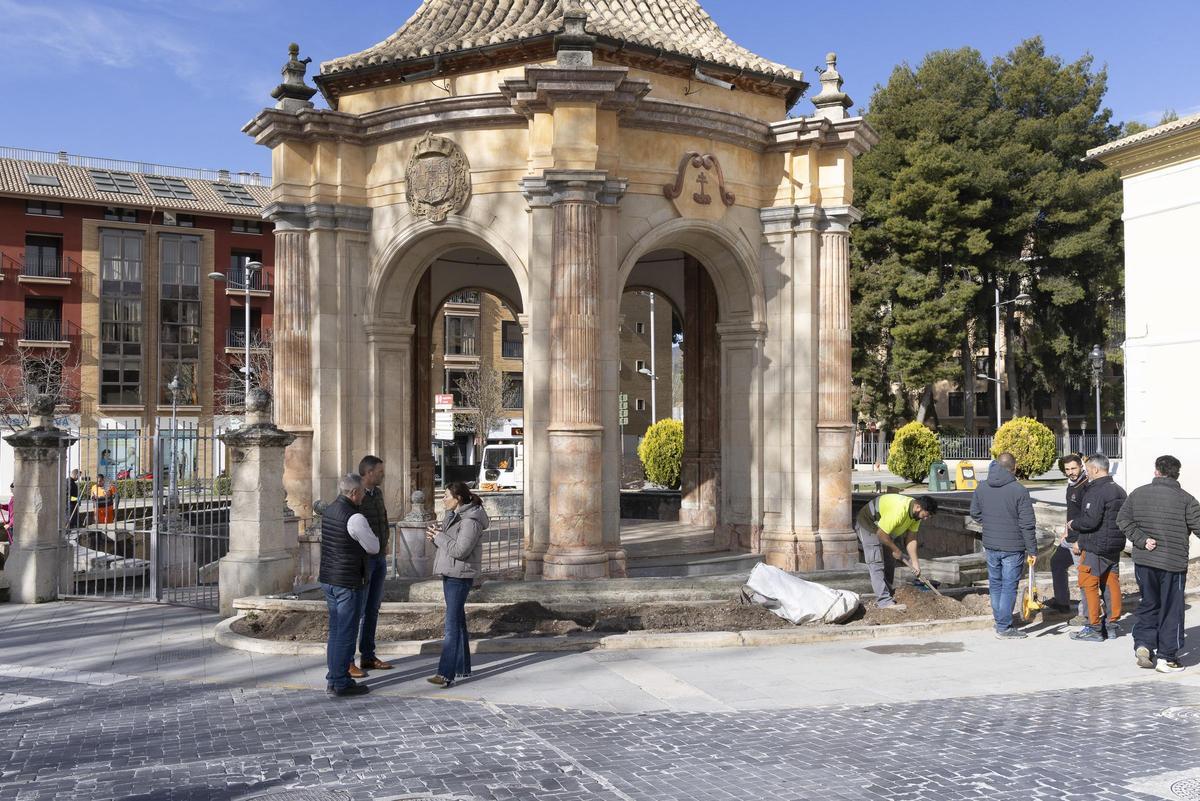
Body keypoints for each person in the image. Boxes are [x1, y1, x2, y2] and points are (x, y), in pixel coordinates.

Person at [1118, 455, 1200, 673]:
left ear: (1156, 471)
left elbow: (1122, 520)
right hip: (1173, 563)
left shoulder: (1138, 493)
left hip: (1144, 560)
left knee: (1149, 603)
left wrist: (1142, 539)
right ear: (1177, 474)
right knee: (1172, 608)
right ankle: (1167, 657)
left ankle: (1144, 644)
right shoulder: (1187, 499)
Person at [319, 473, 379, 698]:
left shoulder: (330, 510)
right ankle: (340, 682)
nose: (364, 496)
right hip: (348, 581)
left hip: (329, 578)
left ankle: (334, 678)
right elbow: (373, 546)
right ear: (354, 493)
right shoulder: (355, 517)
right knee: (346, 633)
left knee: (336, 632)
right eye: (362, 492)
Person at [425, 481, 488, 687]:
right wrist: (435, 537)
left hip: (459, 576)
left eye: (446, 496)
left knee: (451, 626)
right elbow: (449, 544)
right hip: (451, 572)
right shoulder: (454, 515)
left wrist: (439, 537)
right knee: (457, 621)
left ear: (458, 498)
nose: (443, 499)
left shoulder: (470, 521)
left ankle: (445, 674)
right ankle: (462, 667)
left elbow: (461, 551)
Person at [971, 452, 1038, 639]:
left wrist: (990, 524)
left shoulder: (982, 487)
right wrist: (1032, 549)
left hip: (991, 544)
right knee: (1009, 586)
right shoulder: (1019, 490)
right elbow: (1027, 524)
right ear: (1014, 468)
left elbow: (975, 513)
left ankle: (1000, 620)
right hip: (1013, 547)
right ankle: (1004, 627)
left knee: (995, 583)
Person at [1067, 453, 1128, 642]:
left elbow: (1091, 521)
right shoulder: (1119, 490)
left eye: (1088, 470)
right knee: (1111, 584)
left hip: (1095, 546)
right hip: (1114, 546)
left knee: (1089, 585)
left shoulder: (1096, 491)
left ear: (1095, 469)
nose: (1087, 473)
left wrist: (1074, 524)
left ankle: (1093, 627)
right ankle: (1111, 624)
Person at [347, 455, 393, 679]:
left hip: (379, 557)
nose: (383, 475)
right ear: (368, 473)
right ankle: (348, 660)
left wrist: (385, 543)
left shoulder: (378, 493)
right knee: (356, 610)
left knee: (373, 609)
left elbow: (383, 519)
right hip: (364, 561)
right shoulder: (356, 496)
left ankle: (368, 655)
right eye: (380, 471)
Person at [854, 492, 938, 611]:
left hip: (885, 529)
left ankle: (888, 594)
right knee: (876, 563)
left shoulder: (916, 515)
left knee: (889, 562)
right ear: (918, 507)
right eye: (926, 515)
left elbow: (911, 538)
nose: (925, 518)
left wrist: (915, 562)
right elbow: (881, 534)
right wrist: (896, 550)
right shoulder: (899, 510)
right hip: (868, 524)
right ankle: (884, 602)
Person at [1047, 454, 1090, 619]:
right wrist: (1066, 531)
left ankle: (1085, 614)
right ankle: (1062, 603)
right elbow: (1071, 512)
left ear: (1081, 467)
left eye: (1073, 468)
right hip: (1069, 538)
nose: (1071, 472)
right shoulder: (1071, 485)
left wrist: (1080, 540)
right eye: (1067, 469)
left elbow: (1088, 517)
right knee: (1056, 562)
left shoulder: (1086, 486)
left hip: (1079, 540)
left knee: (1084, 577)